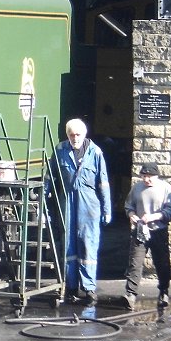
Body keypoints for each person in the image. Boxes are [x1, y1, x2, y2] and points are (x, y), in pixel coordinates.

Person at [53, 119, 112, 306]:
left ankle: (89, 288)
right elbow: (50, 177)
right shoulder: (60, 150)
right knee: (68, 246)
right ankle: (71, 287)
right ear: (67, 135)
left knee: (88, 245)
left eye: (78, 134)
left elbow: (103, 183)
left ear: (84, 135)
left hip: (89, 204)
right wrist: (44, 203)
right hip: (68, 201)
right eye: (71, 134)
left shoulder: (95, 152)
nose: (74, 138)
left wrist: (107, 210)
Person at [123, 162, 171, 311]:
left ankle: (164, 292)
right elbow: (128, 205)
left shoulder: (165, 188)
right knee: (135, 262)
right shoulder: (137, 188)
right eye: (144, 176)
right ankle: (130, 295)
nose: (146, 179)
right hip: (140, 230)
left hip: (158, 230)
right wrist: (131, 214)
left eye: (149, 176)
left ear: (156, 176)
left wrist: (153, 217)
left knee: (162, 262)